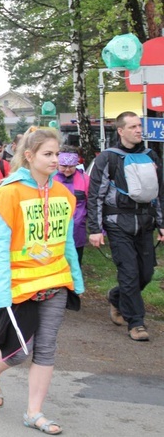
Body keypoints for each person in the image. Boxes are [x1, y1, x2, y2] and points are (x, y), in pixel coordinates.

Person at [0, 128, 84, 436]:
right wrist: (0, 294)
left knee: (47, 348)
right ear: (29, 156)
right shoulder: (8, 193)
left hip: (55, 280)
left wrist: (74, 280)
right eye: (47, 154)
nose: (55, 160)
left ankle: (34, 412)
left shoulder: (64, 194)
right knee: (20, 351)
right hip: (18, 285)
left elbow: (65, 243)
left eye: (57, 154)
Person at [88, 111, 164, 341]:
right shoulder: (108, 158)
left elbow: (159, 193)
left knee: (146, 272)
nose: (138, 130)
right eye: (132, 127)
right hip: (117, 224)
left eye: (139, 126)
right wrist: (94, 229)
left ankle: (116, 297)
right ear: (120, 131)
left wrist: (161, 223)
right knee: (129, 273)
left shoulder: (151, 155)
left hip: (145, 223)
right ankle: (136, 323)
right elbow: (95, 196)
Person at [54, 146, 89, 264]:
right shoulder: (49, 178)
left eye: (71, 167)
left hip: (77, 233)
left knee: (75, 264)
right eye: (64, 166)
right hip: (54, 233)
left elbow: (92, 204)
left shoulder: (84, 179)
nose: (67, 170)